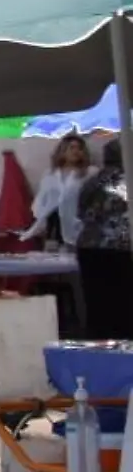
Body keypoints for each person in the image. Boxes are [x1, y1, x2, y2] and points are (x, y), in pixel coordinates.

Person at [75, 139, 130, 340]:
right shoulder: (128, 180)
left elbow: (80, 213)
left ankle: (99, 341)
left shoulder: (92, 180)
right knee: (123, 302)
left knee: (97, 301)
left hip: (89, 246)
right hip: (122, 248)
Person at [20, 134, 94, 249]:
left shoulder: (89, 173)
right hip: (53, 226)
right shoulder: (50, 174)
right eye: (71, 148)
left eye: (79, 148)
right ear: (63, 151)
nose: (76, 151)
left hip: (78, 226)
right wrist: (40, 221)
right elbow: (41, 200)